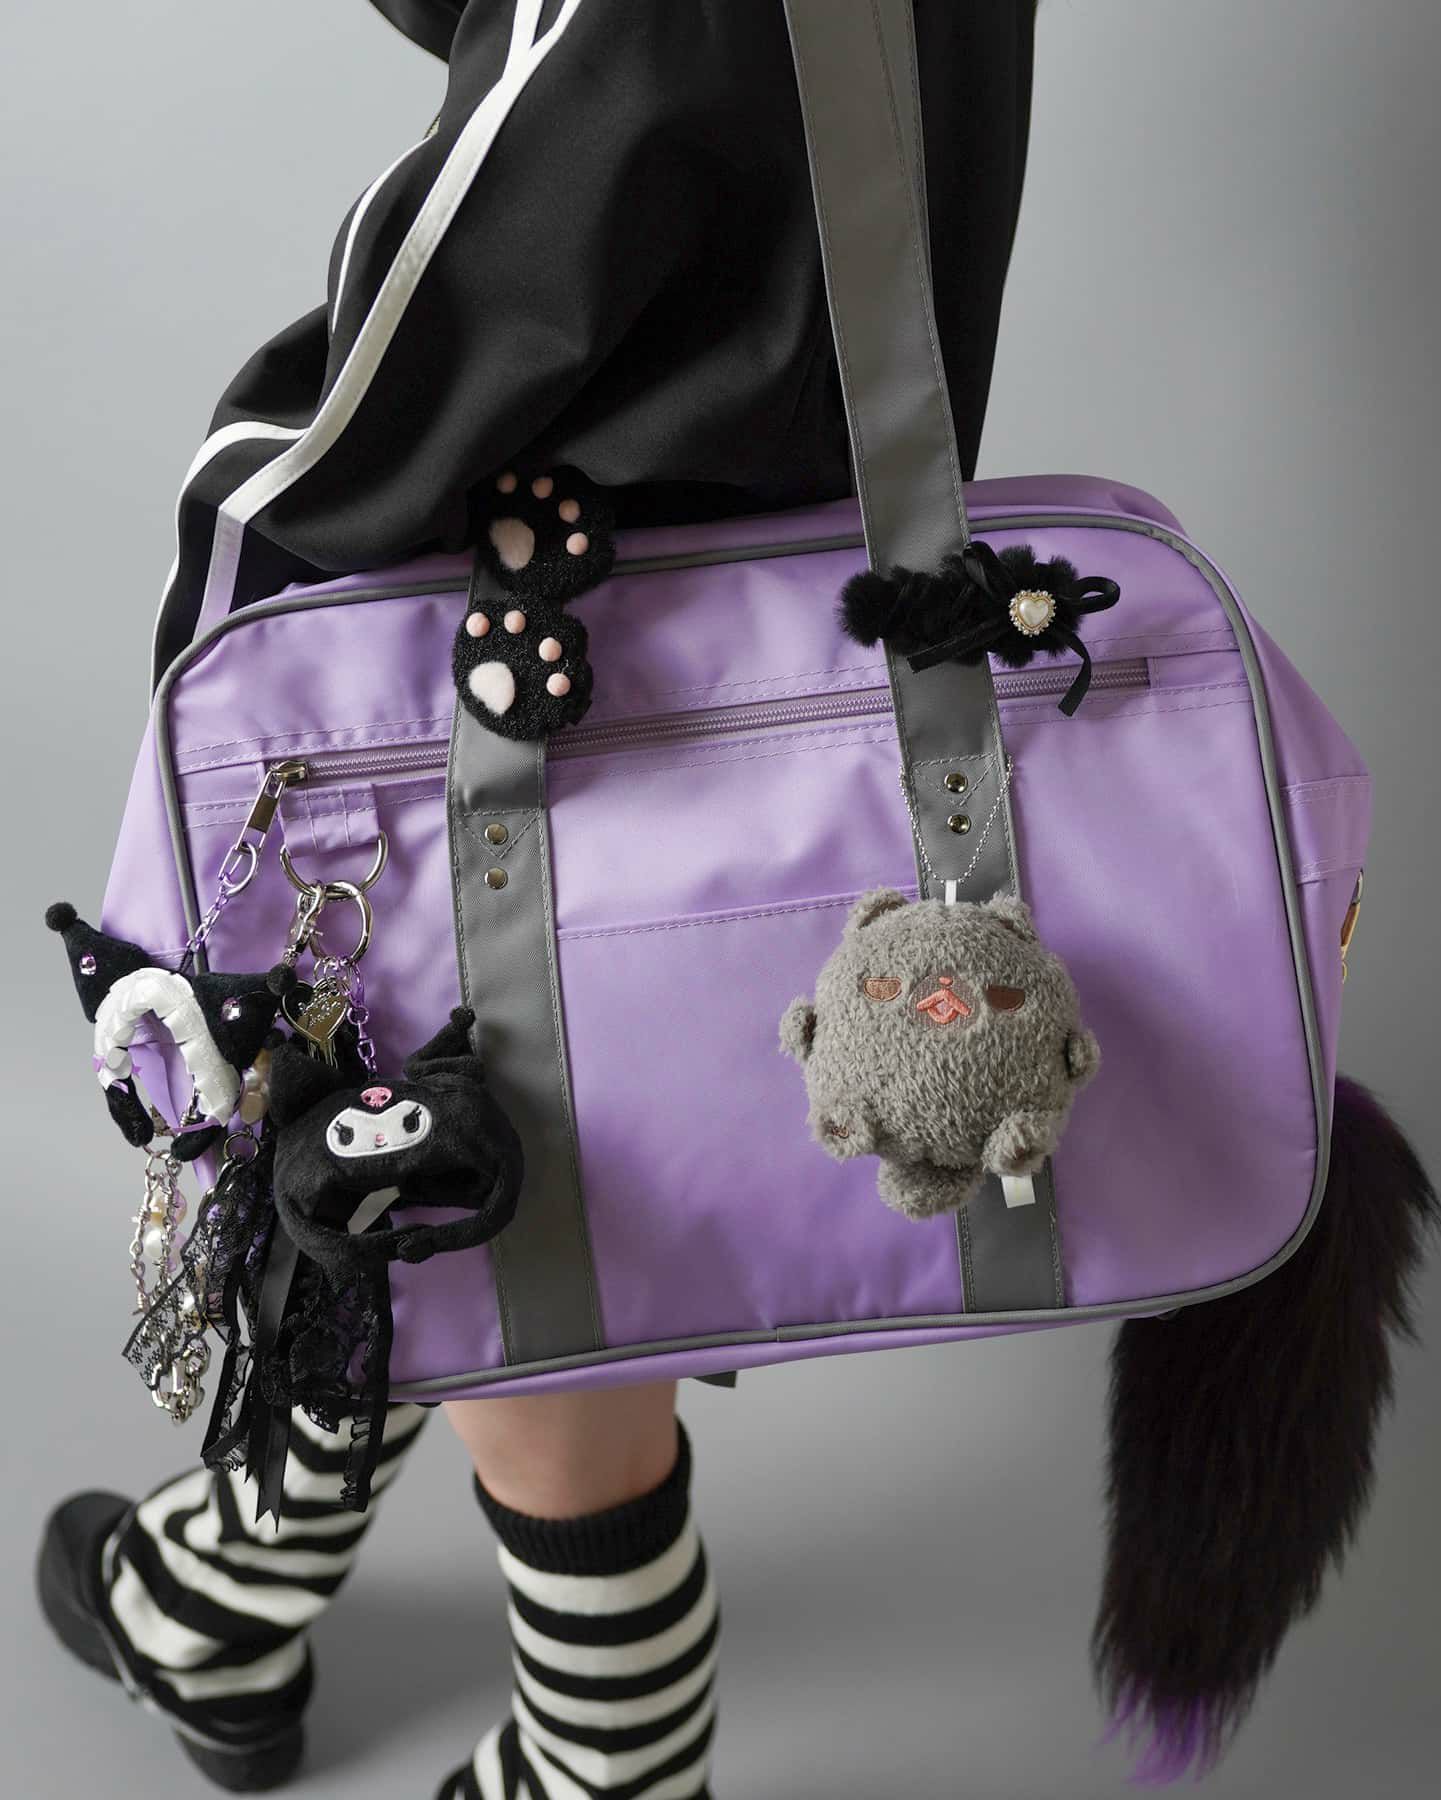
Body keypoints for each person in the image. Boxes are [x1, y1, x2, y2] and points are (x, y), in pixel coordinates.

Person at [37, 5, 1039, 1795]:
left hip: (540, 603)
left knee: (499, 1179)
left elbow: (459, 318)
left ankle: (609, 1755)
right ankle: (227, 1589)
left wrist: (239, 535)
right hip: (759, 580)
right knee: (448, 1163)